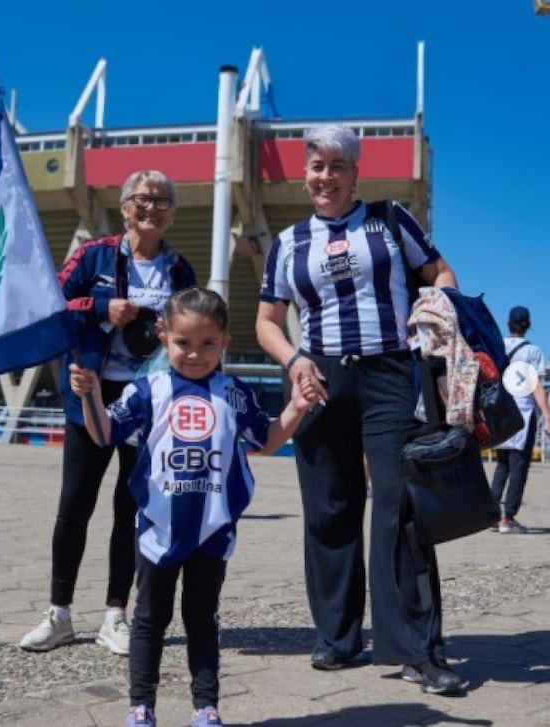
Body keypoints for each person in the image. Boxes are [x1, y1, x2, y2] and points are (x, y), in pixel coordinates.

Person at [255, 125, 466, 695]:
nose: (325, 177)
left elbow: (439, 272)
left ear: (355, 173)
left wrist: (436, 305)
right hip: (320, 376)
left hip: (391, 374)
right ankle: (337, 637)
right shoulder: (289, 242)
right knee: (329, 508)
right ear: (305, 174)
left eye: (336, 167)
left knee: (401, 507)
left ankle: (416, 649)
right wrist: (295, 360)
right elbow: (267, 322)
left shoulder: (390, 219)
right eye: (316, 166)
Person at [70, 287, 319, 727]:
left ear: (224, 342)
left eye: (208, 344)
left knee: (202, 618)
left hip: (212, 529)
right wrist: (89, 395)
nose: (195, 354)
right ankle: (140, 706)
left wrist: (297, 408)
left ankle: (205, 706)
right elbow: (104, 433)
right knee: (149, 619)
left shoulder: (233, 393)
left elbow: (267, 438)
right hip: (156, 527)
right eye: (184, 342)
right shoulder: (148, 389)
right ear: (164, 337)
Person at [20, 170, 197, 655]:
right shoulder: (93, 255)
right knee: (74, 503)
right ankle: (57, 613)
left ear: (172, 213)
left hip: (147, 400)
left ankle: (115, 615)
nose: (152, 207)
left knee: (130, 509)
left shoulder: (180, 270)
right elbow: (49, 304)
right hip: (92, 393)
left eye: (163, 201)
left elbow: (195, 327)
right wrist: (102, 306)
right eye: (142, 199)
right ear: (124, 207)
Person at [490, 305, 550, 533]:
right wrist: (547, 414)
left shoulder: (498, 346)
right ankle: (508, 518)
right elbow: (536, 385)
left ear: (508, 324)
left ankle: (492, 515)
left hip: (500, 414)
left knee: (502, 465)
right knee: (518, 468)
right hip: (522, 415)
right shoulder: (533, 351)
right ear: (528, 325)